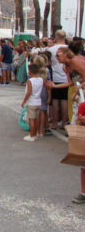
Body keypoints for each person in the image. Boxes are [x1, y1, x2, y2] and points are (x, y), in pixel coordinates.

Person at [52, 48, 85, 204]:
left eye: (58, 55)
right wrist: (54, 86)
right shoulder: (67, 67)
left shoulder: (76, 62)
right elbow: (71, 82)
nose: (56, 57)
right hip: (79, 97)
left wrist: (80, 87)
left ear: (66, 54)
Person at [47, 30, 69, 131]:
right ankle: (64, 122)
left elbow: (49, 62)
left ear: (56, 37)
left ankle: (55, 122)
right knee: (64, 100)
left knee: (55, 100)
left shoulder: (51, 49)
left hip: (55, 77)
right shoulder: (69, 49)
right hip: (67, 78)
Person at [21, 63, 44, 142]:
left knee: (31, 120)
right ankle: (35, 133)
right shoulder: (41, 79)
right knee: (36, 119)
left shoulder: (30, 81)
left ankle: (32, 135)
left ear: (30, 71)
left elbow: (29, 92)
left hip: (31, 102)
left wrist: (24, 101)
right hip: (38, 101)